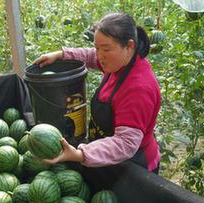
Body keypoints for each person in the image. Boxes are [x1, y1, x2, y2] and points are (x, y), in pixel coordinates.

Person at [33, 12, 161, 173]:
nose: (100, 56)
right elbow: (91, 56)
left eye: (105, 49)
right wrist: (61, 54)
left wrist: (81, 154)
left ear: (129, 46)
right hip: (106, 156)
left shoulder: (139, 89)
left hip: (134, 168)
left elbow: (125, 144)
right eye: (97, 47)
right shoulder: (119, 62)